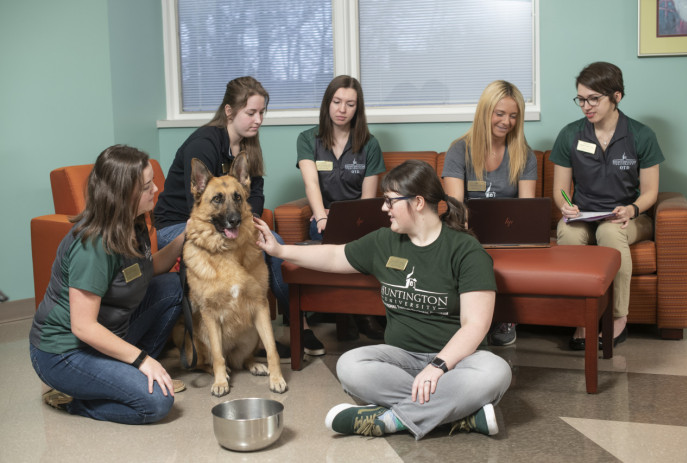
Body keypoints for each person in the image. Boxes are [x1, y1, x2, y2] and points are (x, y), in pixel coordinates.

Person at [254, 160, 512, 440]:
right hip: (401, 360)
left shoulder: (466, 251)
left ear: (418, 202)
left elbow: (475, 325)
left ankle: (390, 420)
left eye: (390, 201)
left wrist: (437, 367)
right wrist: (280, 250)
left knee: (495, 370)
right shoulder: (383, 241)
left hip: (456, 364)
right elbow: (333, 255)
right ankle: (461, 415)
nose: (383, 208)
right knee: (349, 366)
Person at [153, 76, 325, 357]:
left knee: (273, 241)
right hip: (181, 225)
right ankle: (236, 336)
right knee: (250, 245)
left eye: (261, 113)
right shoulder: (203, 143)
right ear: (230, 111)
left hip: (228, 220)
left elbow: (255, 194)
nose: (258, 120)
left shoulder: (248, 146)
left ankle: (298, 325)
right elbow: (199, 208)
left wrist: (251, 223)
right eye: (251, 113)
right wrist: (241, 226)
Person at [29, 145, 185, 424]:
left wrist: (186, 236)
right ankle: (74, 401)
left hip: (108, 334)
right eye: (148, 186)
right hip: (64, 353)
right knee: (157, 403)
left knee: (172, 286)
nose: (157, 189)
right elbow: (83, 327)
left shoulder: (133, 221)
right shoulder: (94, 245)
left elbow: (150, 269)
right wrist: (142, 360)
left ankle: (132, 376)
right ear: (125, 195)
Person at [550, 62, 663, 351]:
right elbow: (560, 191)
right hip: (585, 214)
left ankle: (617, 318)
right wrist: (567, 207)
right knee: (568, 233)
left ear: (617, 96)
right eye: (581, 99)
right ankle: (581, 317)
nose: (586, 106)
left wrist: (632, 209)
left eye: (593, 99)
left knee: (610, 234)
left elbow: (650, 191)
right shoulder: (570, 135)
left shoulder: (641, 135)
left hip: (627, 216)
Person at [442, 80, 537, 346]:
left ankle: (503, 319)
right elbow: (455, 203)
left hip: (509, 233)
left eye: (513, 116)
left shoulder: (525, 155)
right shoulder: (459, 149)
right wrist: (466, 223)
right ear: (485, 112)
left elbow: (527, 208)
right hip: (467, 229)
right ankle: (467, 320)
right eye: (500, 113)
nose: (507, 121)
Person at [296, 74, 387, 340]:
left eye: (350, 104)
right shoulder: (307, 139)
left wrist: (357, 224)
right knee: (324, 235)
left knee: (363, 242)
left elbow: (368, 200)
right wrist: (322, 216)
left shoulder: (370, 144)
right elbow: (311, 184)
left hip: (358, 219)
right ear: (327, 104)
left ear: (358, 108)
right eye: (337, 102)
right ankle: (348, 315)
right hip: (324, 216)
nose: (342, 110)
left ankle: (361, 314)